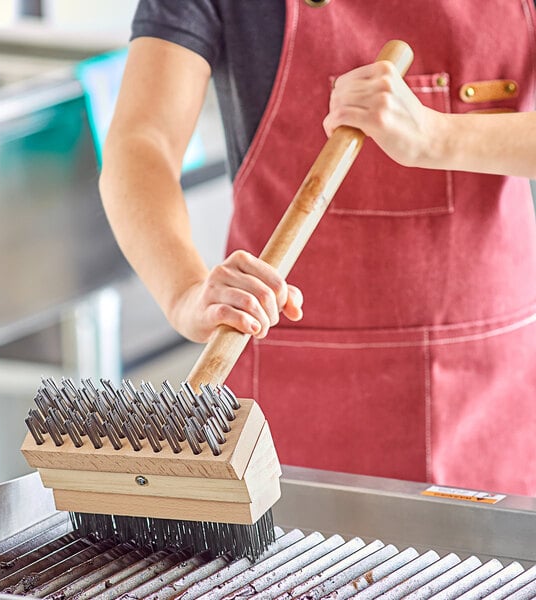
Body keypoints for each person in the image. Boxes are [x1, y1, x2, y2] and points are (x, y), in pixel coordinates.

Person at [99, 0, 536, 496]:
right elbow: (141, 142)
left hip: (490, 391)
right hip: (289, 399)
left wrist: (437, 136)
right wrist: (184, 294)